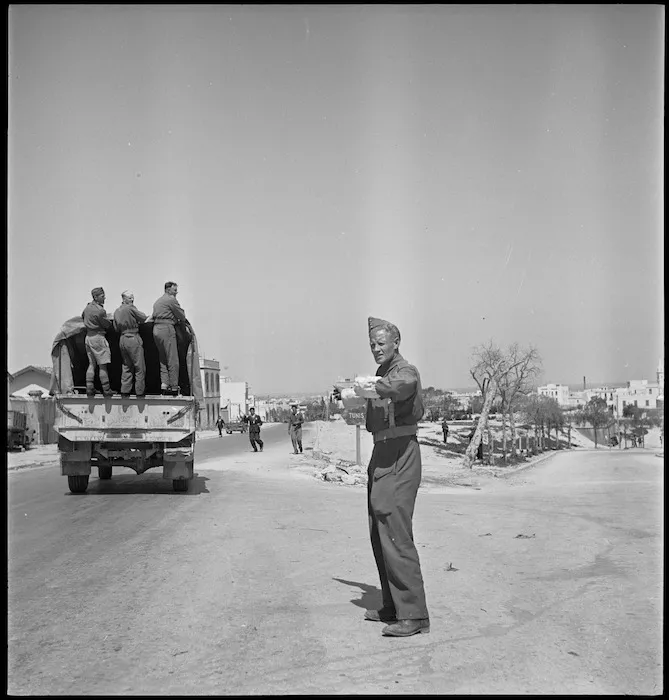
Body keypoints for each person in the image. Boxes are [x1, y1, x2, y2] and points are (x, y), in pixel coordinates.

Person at [334, 316, 429, 637]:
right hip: (382, 452)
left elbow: (403, 387)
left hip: (401, 452)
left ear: (395, 344)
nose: (376, 348)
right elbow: (374, 402)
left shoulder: (404, 370)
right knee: (379, 530)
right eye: (372, 344)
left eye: (381, 343)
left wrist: (368, 387)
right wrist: (352, 396)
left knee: (395, 530)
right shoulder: (382, 374)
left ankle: (414, 615)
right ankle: (393, 605)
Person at [152, 281, 190, 396]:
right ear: (168, 290)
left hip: (156, 330)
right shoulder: (171, 300)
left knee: (163, 359)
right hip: (166, 329)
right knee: (173, 359)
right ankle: (174, 387)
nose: (176, 293)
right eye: (175, 290)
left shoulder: (158, 301)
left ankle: (164, 384)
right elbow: (181, 315)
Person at [113, 290, 148, 398]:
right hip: (133, 338)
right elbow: (143, 317)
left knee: (126, 366)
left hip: (122, 339)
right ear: (124, 299)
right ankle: (140, 391)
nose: (132, 299)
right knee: (139, 366)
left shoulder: (117, 311)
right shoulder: (131, 308)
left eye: (132, 297)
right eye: (130, 298)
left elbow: (115, 328)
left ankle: (125, 390)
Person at [82, 287, 113, 398]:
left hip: (88, 338)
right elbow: (107, 324)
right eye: (102, 296)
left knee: (91, 364)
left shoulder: (87, 308)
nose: (104, 297)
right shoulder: (100, 310)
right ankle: (107, 390)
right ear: (96, 297)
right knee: (102, 366)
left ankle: (89, 388)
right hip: (98, 337)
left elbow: (83, 317)